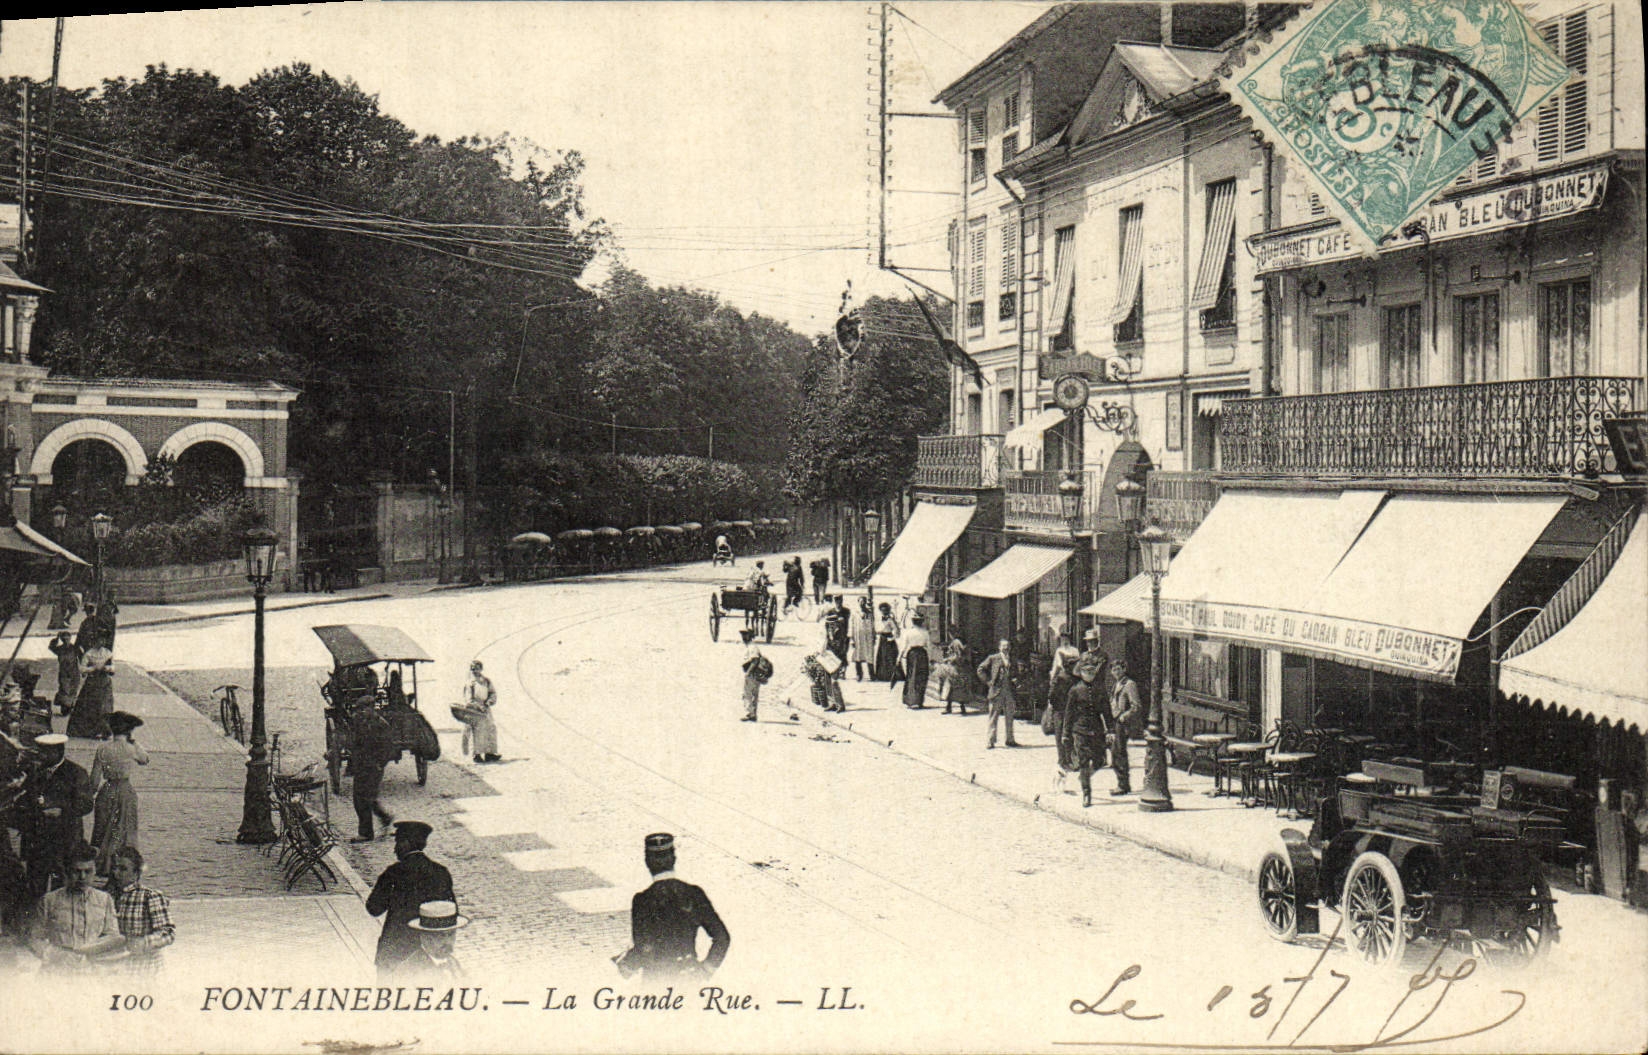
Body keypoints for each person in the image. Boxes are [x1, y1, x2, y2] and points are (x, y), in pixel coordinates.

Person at [615, 833, 728, 981]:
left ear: (647, 862)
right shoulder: (694, 893)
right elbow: (722, 938)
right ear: (674, 859)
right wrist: (705, 971)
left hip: (656, 982)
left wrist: (625, 966)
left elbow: (644, 948)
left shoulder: (642, 900)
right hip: (688, 979)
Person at [365, 820, 456, 974]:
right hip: (429, 952)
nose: (395, 849)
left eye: (397, 843)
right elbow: (451, 913)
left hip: (394, 951)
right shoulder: (441, 872)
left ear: (405, 843)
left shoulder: (393, 872)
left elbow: (374, 908)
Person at [28, 841, 124, 971]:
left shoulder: (104, 900)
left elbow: (113, 936)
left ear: (94, 871)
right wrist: (54, 956)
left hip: (92, 970)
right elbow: (34, 938)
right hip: (57, 970)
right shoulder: (49, 900)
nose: (82, 877)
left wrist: (95, 952)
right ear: (67, 872)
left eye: (88, 871)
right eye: (76, 871)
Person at [20, 733, 95, 896]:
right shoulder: (35, 772)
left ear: (59, 752)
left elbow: (86, 804)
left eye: (46, 753)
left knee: (62, 885)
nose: (41, 756)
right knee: (35, 886)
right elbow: (26, 800)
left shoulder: (76, 773)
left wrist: (63, 810)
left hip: (65, 840)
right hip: (38, 841)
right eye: (40, 752)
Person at [90, 711, 149, 876]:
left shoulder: (103, 749)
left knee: (103, 828)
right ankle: (123, 865)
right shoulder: (131, 749)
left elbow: (94, 779)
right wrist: (135, 743)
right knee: (125, 829)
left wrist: (90, 794)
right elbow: (145, 760)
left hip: (107, 790)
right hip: (125, 791)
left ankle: (103, 864)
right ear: (129, 731)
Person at [108, 846, 174, 976]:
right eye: (114, 868)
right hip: (114, 967)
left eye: (123, 869)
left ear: (136, 873)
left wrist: (143, 942)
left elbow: (168, 933)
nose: (116, 873)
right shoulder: (105, 897)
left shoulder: (150, 897)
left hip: (144, 968)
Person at [1066, 659, 1112, 808]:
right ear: (1081, 673)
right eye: (1086, 672)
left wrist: (1110, 730)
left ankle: (1083, 777)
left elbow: (1107, 711)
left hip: (1097, 729)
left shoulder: (1100, 689)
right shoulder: (1075, 690)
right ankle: (1087, 794)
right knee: (1084, 761)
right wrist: (1066, 733)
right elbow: (1069, 713)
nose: (1089, 675)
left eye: (1092, 672)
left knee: (1100, 761)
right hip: (1080, 729)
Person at [350, 708, 396, 842]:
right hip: (362, 767)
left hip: (373, 768)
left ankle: (366, 833)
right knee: (362, 798)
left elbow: (388, 748)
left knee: (365, 798)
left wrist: (380, 764)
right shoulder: (361, 722)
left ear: (371, 708)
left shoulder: (381, 725)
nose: (361, 713)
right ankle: (384, 818)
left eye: (364, 710)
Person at [401, 900, 468, 980]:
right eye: (441, 936)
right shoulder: (409, 971)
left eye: (451, 934)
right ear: (425, 937)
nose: (448, 941)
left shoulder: (454, 963)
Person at [1047, 632, 1082, 783]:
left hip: (1065, 709)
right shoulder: (1065, 678)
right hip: (1061, 710)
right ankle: (1064, 760)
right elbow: (1052, 694)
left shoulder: (1069, 677)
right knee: (1063, 733)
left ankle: (1068, 759)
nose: (1064, 641)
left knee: (1066, 734)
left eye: (1066, 639)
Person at [66, 641, 115, 739]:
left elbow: (113, 667)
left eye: (103, 640)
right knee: (90, 706)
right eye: (99, 640)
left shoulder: (108, 653)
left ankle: (104, 731)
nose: (101, 642)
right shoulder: (89, 653)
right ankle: (90, 731)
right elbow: (82, 669)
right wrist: (92, 668)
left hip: (105, 683)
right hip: (92, 683)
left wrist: (107, 668)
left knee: (105, 706)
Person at [456, 660, 501, 764]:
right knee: (476, 731)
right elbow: (468, 699)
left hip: (486, 709)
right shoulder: (469, 683)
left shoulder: (486, 681)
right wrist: (477, 706)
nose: (474, 670)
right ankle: (476, 755)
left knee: (490, 728)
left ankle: (489, 753)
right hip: (474, 710)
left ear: (481, 669)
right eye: (472, 668)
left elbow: (492, 693)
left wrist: (488, 703)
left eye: (476, 668)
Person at [977, 639, 1018, 749]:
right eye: (1004, 646)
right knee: (993, 716)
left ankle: (1010, 739)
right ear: (999, 647)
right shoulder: (993, 658)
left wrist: (1016, 679)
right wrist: (988, 681)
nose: (1006, 648)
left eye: (1008, 646)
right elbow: (980, 669)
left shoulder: (1012, 659)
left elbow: (1016, 672)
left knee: (1010, 716)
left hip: (1009, 691)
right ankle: (990, 740)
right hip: (996, 691)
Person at [1109, 661, 1142, 796]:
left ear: (1124, 669)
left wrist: (1124, 716)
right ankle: (1121, 783)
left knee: (1119, 752)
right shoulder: (1116, 684)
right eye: (1114, 670)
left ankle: (1123, 785)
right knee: (1115, 752)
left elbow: (1136, 706)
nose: (1116, 672)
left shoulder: (1129, 684)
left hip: (1123, 723)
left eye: (1118, 669)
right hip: (1115, 721)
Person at [898, 613, 932, 709]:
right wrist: (931, 658)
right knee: (921, 677)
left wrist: (899, 658)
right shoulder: (925, 632)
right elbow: (929, 647)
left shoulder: (908, 632)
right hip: (922, 654)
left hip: (912, 654)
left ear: (913, 621)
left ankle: (911, 701)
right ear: (921, 622)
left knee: (911, 676)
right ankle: (919, 701)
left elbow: (903, 646)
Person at [48, 632, 82, 717]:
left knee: (74, 689)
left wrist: (84, 669)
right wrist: (56, 638)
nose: (66, 640)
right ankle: (65, 708)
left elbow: (82, 658)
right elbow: (51, 647)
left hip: (74, 671)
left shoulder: (75, 648)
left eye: (67, 638)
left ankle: (71, 707)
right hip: (64, 672)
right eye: (64, 639)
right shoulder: (59, 649)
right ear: (62, 640)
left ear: (70, 638)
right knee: (64, 689)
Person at [936, 638, 972, 715]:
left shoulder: (957, 646)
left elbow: (956, 658)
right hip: (961, 672)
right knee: (959, 690)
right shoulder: (965, 650)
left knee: (951, 689)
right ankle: (960, 707)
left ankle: (950, 707)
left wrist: (947, 659)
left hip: (954, 671)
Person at [738, 628, 765, 722]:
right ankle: (752, 714)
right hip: (753, 673)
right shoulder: (750, 646)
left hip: (752, 673)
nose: (743, 637)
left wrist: (748, 673)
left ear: (750, 636)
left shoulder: (752, 647)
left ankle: (749, 713)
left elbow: (755, 661)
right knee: (752, 694)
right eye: (742, 635)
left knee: (748, 694)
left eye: (746, 635)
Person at [872, 603, 900, 682]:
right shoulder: (879, 619)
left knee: (890, 657)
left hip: (889, 639)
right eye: (882, 610)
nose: (884, 612)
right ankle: (881, 676)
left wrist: (893, 638)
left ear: (888, 611)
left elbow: (897, 631)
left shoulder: (890, 620)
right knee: (882, 657)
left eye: (885, 610)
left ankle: (892, 675)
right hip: (882, 639)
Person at [822, 595, 850, 670]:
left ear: (842, 601)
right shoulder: (830, 612)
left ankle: (843, 670)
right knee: (833, 654)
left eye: (840, 601)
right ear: (835, 602)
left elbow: (849, 623)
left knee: (843, 653)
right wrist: (829, 635)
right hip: (833, 636)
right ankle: (836, 670)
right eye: (836, 601)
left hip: (843, 635)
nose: (838, 602)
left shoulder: (846, 611)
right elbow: (827, 624)